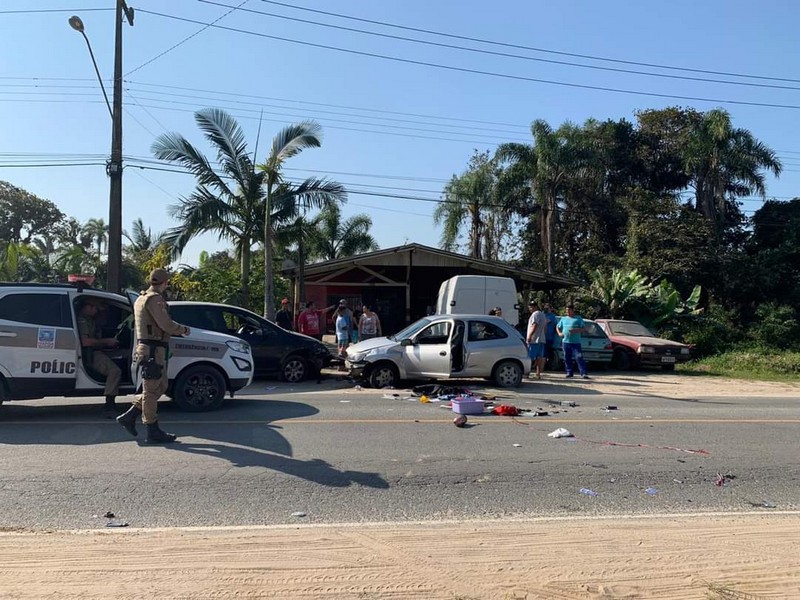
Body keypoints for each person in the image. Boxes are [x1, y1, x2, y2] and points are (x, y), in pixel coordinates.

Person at [116, 268, 191, 444]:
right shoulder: (155, 299)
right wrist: (184, 330)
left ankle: (130, 416)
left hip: (152, 348)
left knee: (160, 386)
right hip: (153, 350)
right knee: (150, 391)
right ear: (165, 283)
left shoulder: (141, 298)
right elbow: (166, 324)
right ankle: (152, 429)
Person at [77, 298, 122, 416]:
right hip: (89, 353)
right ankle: (109, 404)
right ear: (88, 307)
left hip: (95, 351)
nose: (97, 312)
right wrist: (106, 341)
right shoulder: (82, 320)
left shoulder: (90, 320)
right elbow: (86, 342)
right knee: (115, 371)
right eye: (96, 308)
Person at [556, 304, 589, 379]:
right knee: (567, 358)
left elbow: (584, 329)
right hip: (566, 342)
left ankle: (583, 373)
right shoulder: (563, 319)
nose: (567, 311)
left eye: (569, 310)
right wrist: (559, 333)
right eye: (566, 310)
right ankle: (569, 372)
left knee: (579, 357)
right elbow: (557, 327)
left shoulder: (578, 318)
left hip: (576, 342)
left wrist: (576, 330)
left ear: (572, 310)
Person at [526, 300, 548, 380]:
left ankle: (527, 373)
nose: (530, 309)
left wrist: (530, 336)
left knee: (530, 357)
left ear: (535, 307)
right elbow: (545, 327)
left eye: (531, 307)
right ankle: (538, 374)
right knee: (539, 357)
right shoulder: (542, 314)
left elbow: (534, 325)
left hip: (534, 339)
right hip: (542, 339)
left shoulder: (535, 314)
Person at [542, 303, 558, 367]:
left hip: (548, 337)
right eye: (545, 308)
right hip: (542, 336)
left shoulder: (552, 316)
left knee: (545, 353)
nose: (546, 309)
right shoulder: (543, 314)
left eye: (547, 308)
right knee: (541, 352)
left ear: (551, 309)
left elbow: (544, 321)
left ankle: (543, 366)